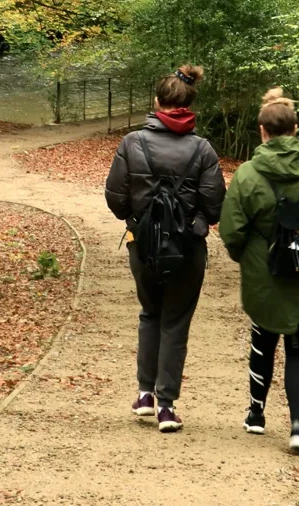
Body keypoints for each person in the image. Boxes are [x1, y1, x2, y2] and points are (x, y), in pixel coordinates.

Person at [219, 87, 299, 455]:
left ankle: (256, 415)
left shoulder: (246, 175)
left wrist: (249, 258)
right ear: (296, 129)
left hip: (267, 271)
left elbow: (232, 231)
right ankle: (298, 427)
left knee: (262, 338)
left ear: (262, 131)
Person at [104, 65, 225, 433]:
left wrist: (138, 223)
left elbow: (115, 196)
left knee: (150, 314)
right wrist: (194, 224)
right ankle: (166, 406)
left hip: (144, 246)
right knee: (175, 321)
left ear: (157, 102)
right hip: (187, 249)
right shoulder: (202, 149)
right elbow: (215, 204)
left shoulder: (132, 143)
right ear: (191, 104)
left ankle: (144, 394)